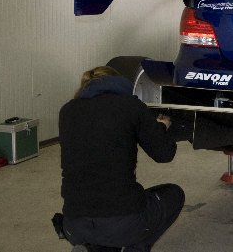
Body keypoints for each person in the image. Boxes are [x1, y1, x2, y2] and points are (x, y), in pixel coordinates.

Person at [59, 66, 184, 252]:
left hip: (73, 224)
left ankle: (92, 248)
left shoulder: (67, 110)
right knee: (174, 194)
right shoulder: (131, 105)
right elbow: (164, 154)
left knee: (108, 226)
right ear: (119, 83)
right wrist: (161, 127)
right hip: (121, 221)